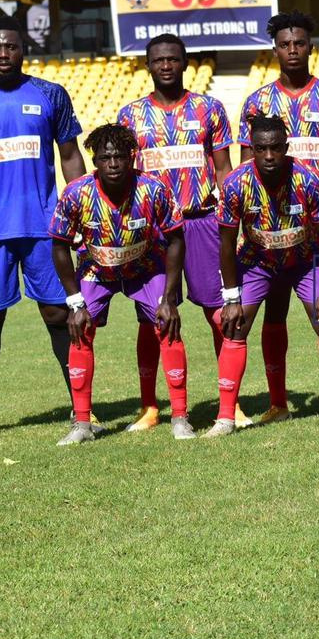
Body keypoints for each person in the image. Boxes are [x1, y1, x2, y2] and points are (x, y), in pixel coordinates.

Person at [0, 14, 87, 439]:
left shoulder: (51, 95)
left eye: (11, 46)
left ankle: (82, 412)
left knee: (59, 315)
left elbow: (70, 157)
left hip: (46, 228)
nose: (3, 54)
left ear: (23, 49)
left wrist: (80, 209)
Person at [237, 11, 319, 425]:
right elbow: (244, 169)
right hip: (271, 234)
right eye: (285, 44)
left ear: (311, 47)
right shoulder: (257, 102)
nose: (293, 50)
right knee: (273, 312)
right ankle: (278, 402)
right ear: (275, 49)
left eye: (300, 43)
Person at [117, 33, 245, 431]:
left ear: (186, 63)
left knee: (217, 313)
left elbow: (223, 167)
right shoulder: (131, 116)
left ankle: (232, 404)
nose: (166, 66)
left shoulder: (209, 108)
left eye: (174, 59)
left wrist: (232, 220)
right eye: (159, 60)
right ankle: (150, 407)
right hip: (154, 231)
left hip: (203, 221)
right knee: (151, 319)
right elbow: (127, 176)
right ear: (148, 65)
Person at [208, 115, 319, 438]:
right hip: (258, 261)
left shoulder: (308, 179)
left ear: (286, 148)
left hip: (304, 259)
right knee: (234, 324)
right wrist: (231, 298)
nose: (270, 156)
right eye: (262, 149)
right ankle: (225, 418)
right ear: (253, 150)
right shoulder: (236, 183)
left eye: (276, 148)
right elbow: (226, 242)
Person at [49, 124, 193, 444]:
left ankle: (180, 417)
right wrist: (74, 302)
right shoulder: (76, 192)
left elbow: (175, 240)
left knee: (167, 326)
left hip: (145, 266)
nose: (113, 164)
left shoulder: (153, 189)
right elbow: (59, 245)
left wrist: (169, 297)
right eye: (105, 157)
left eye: (120, 157)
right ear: (94, 160)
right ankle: (82, 424)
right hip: (95, 270)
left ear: (132, 157)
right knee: (79, 330)